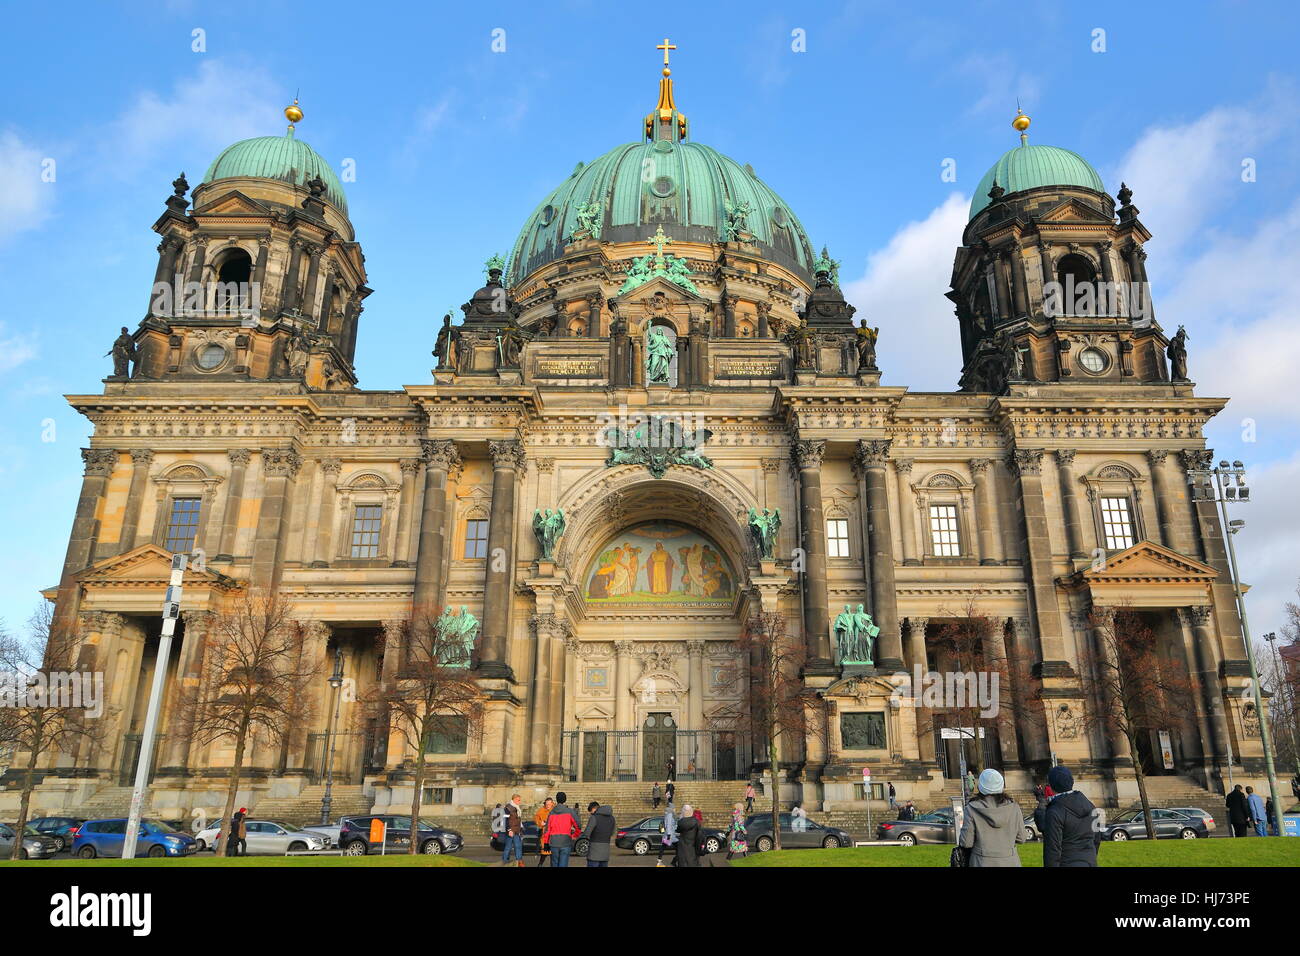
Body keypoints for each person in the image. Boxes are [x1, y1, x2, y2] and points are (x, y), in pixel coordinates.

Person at [1034, 766, 1100, 867]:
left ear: (1051, 785)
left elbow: (1052, 849)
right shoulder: (1090, 806)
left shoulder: (1055, 810)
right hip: (1089, 862)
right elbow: (1096, 839)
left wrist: (1042, 803)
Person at [958, 768, 1026, 867]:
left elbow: (966, 842)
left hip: (981, 862)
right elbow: (1022, 838)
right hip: (1010, 862)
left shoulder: (972, 808)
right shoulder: (1014, 808)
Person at [544, 792, 581, 867]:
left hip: (554, 842)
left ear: (556, 800)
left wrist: (546, 843)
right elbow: (578, 826)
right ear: (565, 800)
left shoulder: (551, 813)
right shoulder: (570, 812)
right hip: (565, 841)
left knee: (554, 864)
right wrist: (574, 835)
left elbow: (547, 829)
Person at [583, 801, 616, 867]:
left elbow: (587, 833)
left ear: (594, 808)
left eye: (591, 811)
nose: (591, 813)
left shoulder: (594, 817)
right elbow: (612, 832)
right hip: (605, 852)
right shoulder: (612, 818)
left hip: (594, 852)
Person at [502, 794, 525, 866]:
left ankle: (519, 862)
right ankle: (505, 862)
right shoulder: (508, 808)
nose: (519, 801)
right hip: (511, 831)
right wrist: (509, 830)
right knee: (508, 848)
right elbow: (505, 820)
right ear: (514, 799)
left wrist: (521, 828)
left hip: (516, 830)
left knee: (518, 846)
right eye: (518, 800)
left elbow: (518, 820)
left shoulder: (517, 808)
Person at [533, 797, 554, 866]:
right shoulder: (541, 810)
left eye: (549, 804)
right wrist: (540, 823)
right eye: (546, 804)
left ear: (552, 803)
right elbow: (536, 818)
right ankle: (540, 864)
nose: (547, 806)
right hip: (545, 835)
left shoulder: (555, 810)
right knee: (545, 852)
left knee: (553, 854)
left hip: (554, 834)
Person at [656, 802, 678, 866]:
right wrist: (668, 835)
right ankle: (675, 860)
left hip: (670, 834)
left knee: (663, 847)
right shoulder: (670, 815)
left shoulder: (668, 814)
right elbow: (668, 825)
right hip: (670, 835)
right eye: (674, 808)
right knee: (678, 848)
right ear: (672, 808)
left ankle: (659, 861)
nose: (675, 809)